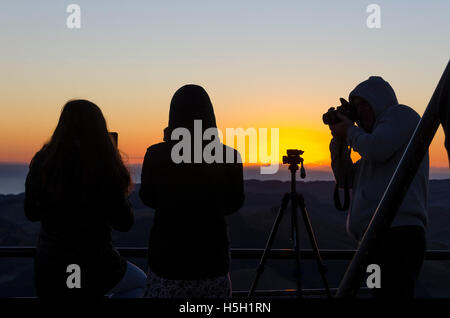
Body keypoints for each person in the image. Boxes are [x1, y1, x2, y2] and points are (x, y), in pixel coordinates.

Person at [24, 99, 145, 298]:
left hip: (49, 267)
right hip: (95, 266)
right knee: (141, 286)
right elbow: (124, 222)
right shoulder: (103, 164)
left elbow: (31, 213)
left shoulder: (42, 161)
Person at [139, 84, 244, 298]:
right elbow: (234, 203)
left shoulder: (155, 154)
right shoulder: (230, 156)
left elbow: (147, 198)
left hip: (166, 264)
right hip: (212, 264)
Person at [329, 76, 429, 298]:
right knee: (380, 296)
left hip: (397, 237)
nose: (360, 110)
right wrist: (339, 140)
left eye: (364, 104)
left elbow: (377, 148)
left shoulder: (401, 115)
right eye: (356, 107)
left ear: (379, 101)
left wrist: (351, 133)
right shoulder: (371, 140)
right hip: (372, 241)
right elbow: (346, 180)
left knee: (392, 296)